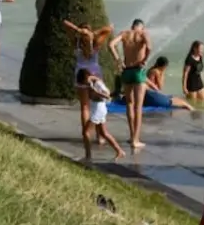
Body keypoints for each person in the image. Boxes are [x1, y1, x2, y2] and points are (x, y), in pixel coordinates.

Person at [63, 20, 112, 141]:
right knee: (99, 103)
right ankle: (101, 135)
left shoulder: (76, 43)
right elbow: (109, 28)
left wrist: (78, 30)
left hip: (81, 74)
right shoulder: (95, 43)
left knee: (85, 106)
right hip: (95, 73)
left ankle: (86, 134)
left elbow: (65, 23)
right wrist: (94, 33)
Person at [109, 19, 151, 149]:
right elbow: (149, 47)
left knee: (129, 103)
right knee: (138, 106)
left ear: (132, 26)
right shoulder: (143, 34)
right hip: (138, 71)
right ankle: (135, 139)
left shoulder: (124, 34)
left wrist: (117, 59)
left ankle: (132, 135)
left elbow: (111, 45)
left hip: (126, 70)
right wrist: (144, 60)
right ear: (141, 27)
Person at [76, 68, 124, 161]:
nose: (85, 85)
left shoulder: (97, 83)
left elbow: (107, 95)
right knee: (103, 133)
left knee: (86, 132)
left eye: (84, 82)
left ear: (86, 77)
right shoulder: (90, 82)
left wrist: (95, 92)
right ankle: (120, 151)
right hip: (96, 108)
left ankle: (88, 156)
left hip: (99, 109)